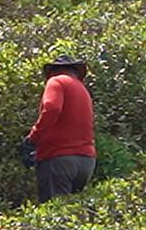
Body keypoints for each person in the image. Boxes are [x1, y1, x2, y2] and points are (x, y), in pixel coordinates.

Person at [22, 54, 95, 201]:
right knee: (72, 214)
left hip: (59, 158)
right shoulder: (82, 89)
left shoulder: (56, 81)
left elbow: (51, 109)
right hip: (86, 161)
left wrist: (32, 139)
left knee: (53, 214)